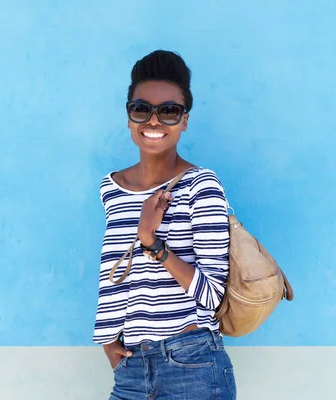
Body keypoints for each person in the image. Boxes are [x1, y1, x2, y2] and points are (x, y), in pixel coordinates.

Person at [92, 50, 237, 399]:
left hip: (193, 366)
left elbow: (213, 296)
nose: (153, 122)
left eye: (169, 111)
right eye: (141, 109)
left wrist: (151, 243)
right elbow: (114, 273)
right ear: (129, 116)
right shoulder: (110, 188)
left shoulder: (201, 186)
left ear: (184, 121)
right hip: (131, 370)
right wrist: (108, 340)